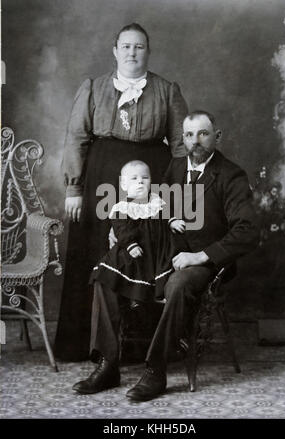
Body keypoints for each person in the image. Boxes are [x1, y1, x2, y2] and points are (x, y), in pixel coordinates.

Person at [72, 109, 260, 400]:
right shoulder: (174, 167)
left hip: (201, 260)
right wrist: (125, 229)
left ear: (217, 137)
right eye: (188, 134)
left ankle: (155, 369)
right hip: (159, 250)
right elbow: (149, 204)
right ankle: (108, 363)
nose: (195, 141)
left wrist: (200, 256)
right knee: (105, 272)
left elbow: (248, 231)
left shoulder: (231, 175)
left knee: (178, 283)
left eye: (203, 133)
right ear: (181, 138)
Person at [54, 23, 188, 362]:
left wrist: (178, 196)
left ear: (148, 51)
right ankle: (90, 345)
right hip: (101, 177)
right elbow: (75, 138)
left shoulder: (166, 90)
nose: (132, 52)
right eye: (126, 46)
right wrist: (74, 188)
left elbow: (180, 147)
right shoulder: (93, 88)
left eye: (139, 46)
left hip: (151, 179)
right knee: (101, 253)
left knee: (144, 252)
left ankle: (143, 348)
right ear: (115, 50)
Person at [89, 159, 186, 306]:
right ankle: (136, 296)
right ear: (124, 185)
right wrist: (131, 244)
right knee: (136, 267)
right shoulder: (121, 207)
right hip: (139, 245)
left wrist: (172, 221)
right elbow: (121, 229)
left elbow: (165, 213)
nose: (140, 182)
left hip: (160, 246)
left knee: (165, 264)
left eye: (145, 178)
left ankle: (160, 293)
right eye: (134, 179)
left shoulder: (155, 200)